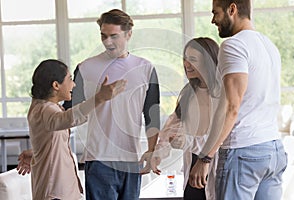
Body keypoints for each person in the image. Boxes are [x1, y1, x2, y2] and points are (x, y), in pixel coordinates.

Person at [189, 1, 288, 200]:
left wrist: (206, 157)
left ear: (232, 9)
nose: (213, 20)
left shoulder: (233, 45)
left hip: (243, 151)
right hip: (273, 149)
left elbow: (231, 107)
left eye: (216, 13)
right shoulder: (269, 46)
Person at [62, 9, 160, 200]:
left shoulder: (146, 69)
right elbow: (66, 115)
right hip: (99, 160)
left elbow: (151, 115)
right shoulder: (85, 68)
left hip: (131, 160)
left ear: (128, 34)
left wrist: (151, 151)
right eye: (103, 36)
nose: (108, 42)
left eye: (114, 36)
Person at [16, 59, 126, 200]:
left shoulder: (44, 108)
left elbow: (65, 123)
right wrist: (99, 98)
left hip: (60, 191)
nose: (73, 85)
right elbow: (67, 119)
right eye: (70, 79)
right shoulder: (45, 109)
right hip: (55, 193)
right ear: (56, 85)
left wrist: (38, 152)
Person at [150, 37, 223, 200]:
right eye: (185, 59)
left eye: (193, 59)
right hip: (192, 169)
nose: (186, 64)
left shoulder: (223, 94)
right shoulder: (188, 93)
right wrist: (158, 154)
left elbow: (223, 138)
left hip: (216, 167)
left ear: (208, 61)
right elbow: (169, 129)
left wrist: (188, 141)